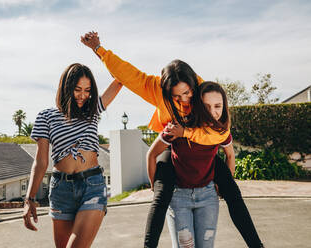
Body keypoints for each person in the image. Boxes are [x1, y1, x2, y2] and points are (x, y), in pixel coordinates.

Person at [81, 32, 264, 248]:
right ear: (166, 91)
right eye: (176, 96)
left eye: (187, 93)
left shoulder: (204, 91)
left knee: (233, 193)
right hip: (174, 148)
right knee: (161, 196)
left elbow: (220, 133)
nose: (184, 100)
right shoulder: (156, 89)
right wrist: (98, 49)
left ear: (193, 86)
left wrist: (186, 133)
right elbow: (128, 74)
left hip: (202, 149)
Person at [22, 63, 123, 248]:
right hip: (61, 189)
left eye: (87, 90)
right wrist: (30, 199)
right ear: (66, 88)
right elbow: (40, 161)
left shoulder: (92, 111)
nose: (83, 95)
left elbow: (120, 79)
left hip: (92, 186)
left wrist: (97, 49)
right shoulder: (46, 117)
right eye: (78, 90)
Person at [148, 81, 233, 248]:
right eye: (206, 106)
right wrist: (154, 185)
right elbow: (151, 155)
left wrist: (223, 184)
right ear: (197, 106)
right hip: (179, 197)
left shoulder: (220, 131)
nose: (213, 112)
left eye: (218, 106)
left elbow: (230, 155)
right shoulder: (177, 127)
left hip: (208, 197)